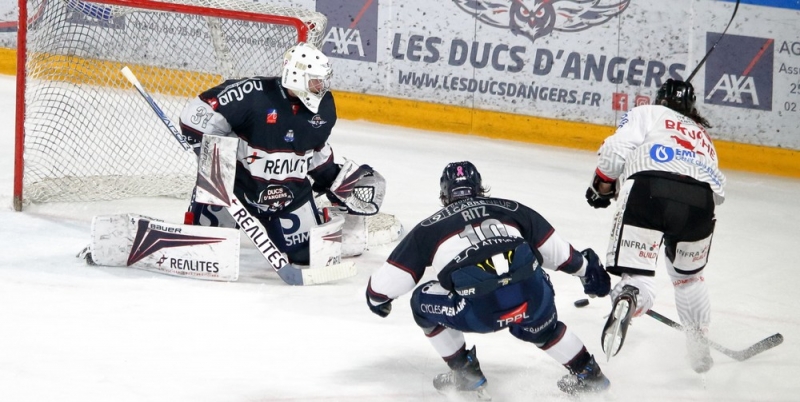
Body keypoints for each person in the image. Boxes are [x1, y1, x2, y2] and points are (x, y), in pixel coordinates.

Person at [366, 161, 612, 399]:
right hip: (532, 298)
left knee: (421, 302)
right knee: (542, 326)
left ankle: (466, 375)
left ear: (444, 196)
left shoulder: (429, 228)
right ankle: (589, 375)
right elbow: (560, 255)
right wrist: (589, 273)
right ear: (480, 188)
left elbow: (382, 288)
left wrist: (377, 300)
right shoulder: (512, 208)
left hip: (479, 312)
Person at [178, 42, 384, 266]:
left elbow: (315, 149)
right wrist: (214, 163)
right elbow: (194, 118)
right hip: (234, 189)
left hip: (289, 196)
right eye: (315, 80)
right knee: (205, 252)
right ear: (296, 76)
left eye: (322, 80)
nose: (321, 86)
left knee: (308, 256)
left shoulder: (324, 107)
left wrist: (332, 177)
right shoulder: (251, 95)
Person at [584, 78, 726, 373]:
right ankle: (698, 340)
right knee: (689, 279)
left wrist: (602, 186)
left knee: (637, 275)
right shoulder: (703, 135)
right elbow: (718, 190)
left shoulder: (647, 112)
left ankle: (629, 295)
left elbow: (616, 149)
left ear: (659, 98)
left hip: (650, 190)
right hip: (701, 204)